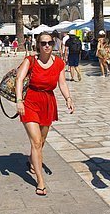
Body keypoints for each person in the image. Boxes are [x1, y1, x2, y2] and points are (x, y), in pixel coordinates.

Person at [15, 32, 74, 196]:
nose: (47, 46)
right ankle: (40, 182)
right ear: (38, 45)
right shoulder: (31, 61)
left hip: (48, 102)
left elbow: (62, 83)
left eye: (49, 43)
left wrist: (68, 98)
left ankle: (32, 159)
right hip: (31, 101)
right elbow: (19, 79)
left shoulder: (59, 63)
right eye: (43, 43)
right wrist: (19, 100)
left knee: (41, 141)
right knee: (35, 141)